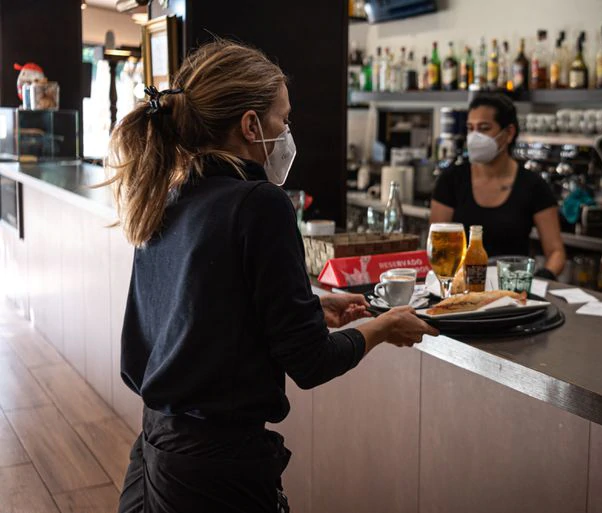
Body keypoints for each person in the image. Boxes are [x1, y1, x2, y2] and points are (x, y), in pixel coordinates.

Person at [106, 40, 438, 513]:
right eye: (283, 119)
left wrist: (307, 311)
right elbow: (310, 363)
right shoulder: (260, 204)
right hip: (216, 472)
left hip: (156, 448)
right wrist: (383, 326)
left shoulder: (168, 194)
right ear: (250, 124)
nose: (287, 132)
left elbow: (196, 319)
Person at [430, 92, 565, 279]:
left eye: (484, 128)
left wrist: (542, 279)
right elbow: (437, 245)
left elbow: (556, 252)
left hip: (511, 291)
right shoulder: (452, 179)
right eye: (471, 128)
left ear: (508, 133)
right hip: (461, 290)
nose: (475, 137)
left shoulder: (533, 185)